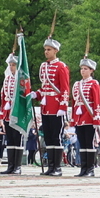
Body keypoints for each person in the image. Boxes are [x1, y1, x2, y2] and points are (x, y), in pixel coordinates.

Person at [28, 28, 69, 177]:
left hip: (56, 106)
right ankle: (50, 166)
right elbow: (44, 87)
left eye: (49, 49)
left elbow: (64, 88)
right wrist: (36, 94)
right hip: (45, 106)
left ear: (55, 51)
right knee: (49, 137)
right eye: (45, 49)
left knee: (56, 137)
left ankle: (57, 167)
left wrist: (63, 106)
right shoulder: (43, 66)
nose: (46, 52)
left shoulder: (61, 66)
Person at [69, 52, 100, 177]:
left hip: (89, 116)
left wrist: (97, 119)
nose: (82, 71)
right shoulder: (77, 84)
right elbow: (74, 102)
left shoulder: (94, 83)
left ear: (91, 70)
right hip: (79, 117)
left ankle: (90, 169)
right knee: (82, 144)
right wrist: (73, 119)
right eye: (82, 68)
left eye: (85, 69)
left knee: (89, 143)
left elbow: (97, 102)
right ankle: (83, 169)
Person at [0, 49, 31, 175]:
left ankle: (17, 166)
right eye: (10, 65)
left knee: (17, 139)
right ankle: (10, 165)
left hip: (17, 113)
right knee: (10, 140)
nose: (12, 67)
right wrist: (1, 116)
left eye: (14, 65)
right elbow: (3, 98)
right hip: (8, 113)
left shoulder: (21, 80)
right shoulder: (7, 79)